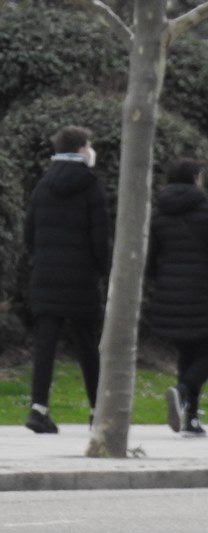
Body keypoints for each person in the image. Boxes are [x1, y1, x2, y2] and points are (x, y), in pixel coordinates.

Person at [146, 159, 208, 437]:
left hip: (170, 294)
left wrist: (162, 280)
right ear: (196, 178)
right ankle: (183, 392)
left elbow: (150, 257)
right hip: (206, 292)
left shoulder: (159, 214)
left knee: (187, 354)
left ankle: (189, 417)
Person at [22, 124, 109, 434]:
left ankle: (38, 408)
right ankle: (98, 410)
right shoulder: (90, 186)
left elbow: (29, 233)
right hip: (81, 279)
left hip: (45, 275)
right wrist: (104, 272)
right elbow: (100, 239)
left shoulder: (42, 185)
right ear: (82, 149)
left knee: (45, 343)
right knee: (87, 343)